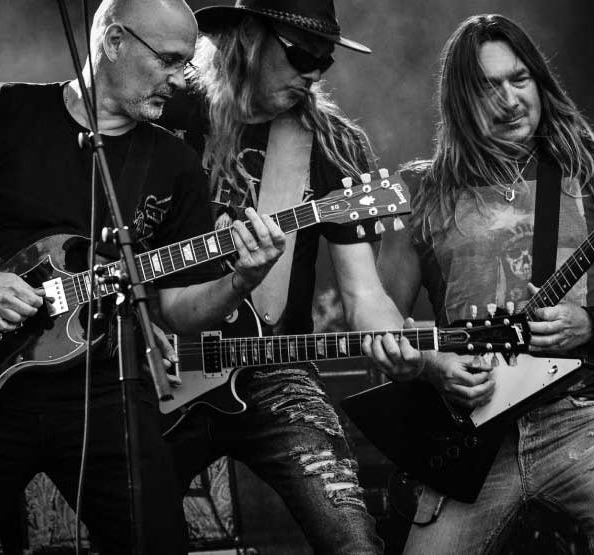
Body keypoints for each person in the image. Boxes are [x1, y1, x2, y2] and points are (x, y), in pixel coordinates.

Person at [0, 0, 285, 553]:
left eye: (186, 64)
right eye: (168, 60)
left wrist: (241, 281)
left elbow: (175, 310)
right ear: (114, 41)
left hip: (107, 390)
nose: (180, 79)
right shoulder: (0, 111)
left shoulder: (173, 164)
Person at [373, 13, 594, 554]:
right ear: (460, 100)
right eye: (488, 87)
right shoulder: (419, 191)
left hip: (584, 412)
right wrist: (434, 366)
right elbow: (379, 323)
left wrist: (590, 323)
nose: (510, 100)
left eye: (520, 79)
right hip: (471, 433)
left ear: (539, 81)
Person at [158, 0, 421, 552]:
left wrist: (397, 342)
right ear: (249, 37)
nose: (313, 74)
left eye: (325, 61)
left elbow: (364, 293)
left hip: (272, 369)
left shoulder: (332, 144)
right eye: (302, 55)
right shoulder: (164, 112)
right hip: (154, 366)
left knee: (354, 542)